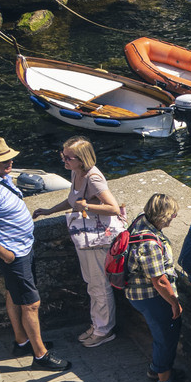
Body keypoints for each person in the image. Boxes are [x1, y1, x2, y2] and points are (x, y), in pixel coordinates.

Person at [0, 135, 62, 369]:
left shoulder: (0, 178)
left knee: (14, 295)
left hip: (20, 249)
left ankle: (22, 341)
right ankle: (40, 355)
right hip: (14, 254)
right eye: (3, 160)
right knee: (31, 304)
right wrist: (7, 255)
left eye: (9, 158)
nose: (9, 163)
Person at [59, 137, 123, 348]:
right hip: (86, 239)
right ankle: (97, 324)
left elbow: (113, 208)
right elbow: (73, 201)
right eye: (63, 155)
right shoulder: (76, 172)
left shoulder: (93, 178)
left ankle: (104, 330)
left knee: (99, 285)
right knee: (91, 283)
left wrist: (86, 205)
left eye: (68, 157)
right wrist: (48, 211)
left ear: (82, 158)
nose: (64, 159)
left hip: (98, 240)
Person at [121, 193, 186, 382]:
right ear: (162, 216)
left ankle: (156, 368)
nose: (174, 217)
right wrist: (174, 302)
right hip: (151, 297)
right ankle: (164, 381)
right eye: (171, 214)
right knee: (166, 336)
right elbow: (158, 280)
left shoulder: (141, 221)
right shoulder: (150, 245)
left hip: (136, 292)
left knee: (160, 333)